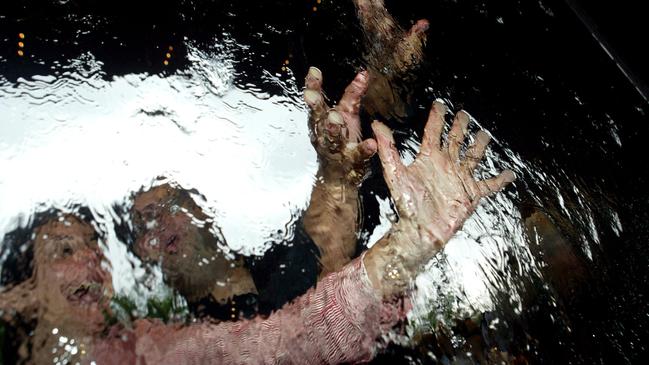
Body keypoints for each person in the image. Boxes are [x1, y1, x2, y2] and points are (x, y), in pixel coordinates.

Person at [0, 63, 514, 363]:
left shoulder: (279, 268)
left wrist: (341, 173)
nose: (162, 222)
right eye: (143, 224)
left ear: (206, 212)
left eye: (173, 204)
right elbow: (284, 343)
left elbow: (323, 250)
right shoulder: (156, 342)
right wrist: (410, 240)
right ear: (139, 255)